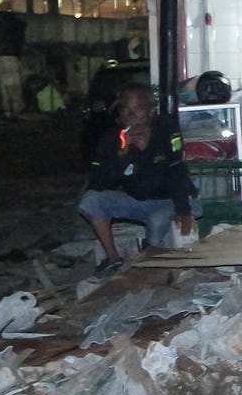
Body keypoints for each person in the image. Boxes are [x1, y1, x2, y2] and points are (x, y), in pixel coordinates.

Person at [78, 84, 196, 275]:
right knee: (90, 201)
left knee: (157, 222)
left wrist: (183, 209)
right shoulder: (112, 139)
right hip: (140, 201)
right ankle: (113, 259)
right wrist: (123, 155)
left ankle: (152, 267)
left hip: (171, 201)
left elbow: (178, 171)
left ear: (151, 111)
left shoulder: (166, 130)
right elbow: (98, 183)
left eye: (137, 109)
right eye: (125, 109)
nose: (130, 115)